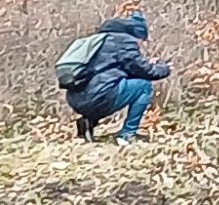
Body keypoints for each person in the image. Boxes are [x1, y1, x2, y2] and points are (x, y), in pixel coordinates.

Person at [65, 12, 171, 145]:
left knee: (107, 88)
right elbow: (145, 72)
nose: (142, 44)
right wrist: (163, 68)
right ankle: (127, 135)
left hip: (76, 99)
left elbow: (114, 70)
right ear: (137, 35)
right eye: (142, 40)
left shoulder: (97, 40)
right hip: (100, 97)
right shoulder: (125, 42)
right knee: (144, 86)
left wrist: (147, 64)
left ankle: (87, 123)